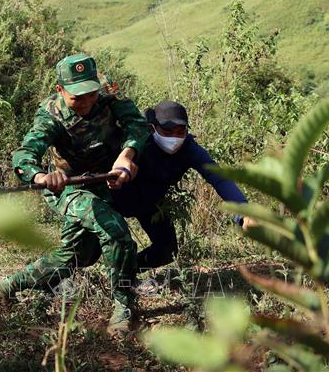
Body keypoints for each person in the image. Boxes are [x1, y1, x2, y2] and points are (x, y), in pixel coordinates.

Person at [0, 53, 149, 336]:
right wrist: (41, 176)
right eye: (77, 97)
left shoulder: (108, 93)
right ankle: (124, 306)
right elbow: (24, 155)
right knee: (116, 232)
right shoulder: (50, 115)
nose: (85, 102)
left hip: (103, 182)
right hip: (70, 188)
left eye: (90, 94)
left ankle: (6, 287)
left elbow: (137, 124)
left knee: (77, 255)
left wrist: (126, 156)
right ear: (60, 90)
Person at [109, 100, 255, 270]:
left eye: (180, 132)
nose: (175, 138)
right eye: (168, 131)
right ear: (152, 128)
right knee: (104, 246)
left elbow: (218, 177)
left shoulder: (189, 149)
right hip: (115, 196)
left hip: (152, 202)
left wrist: (244, 211)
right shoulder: (135, 143)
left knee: (166, 251)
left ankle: (127, 272)